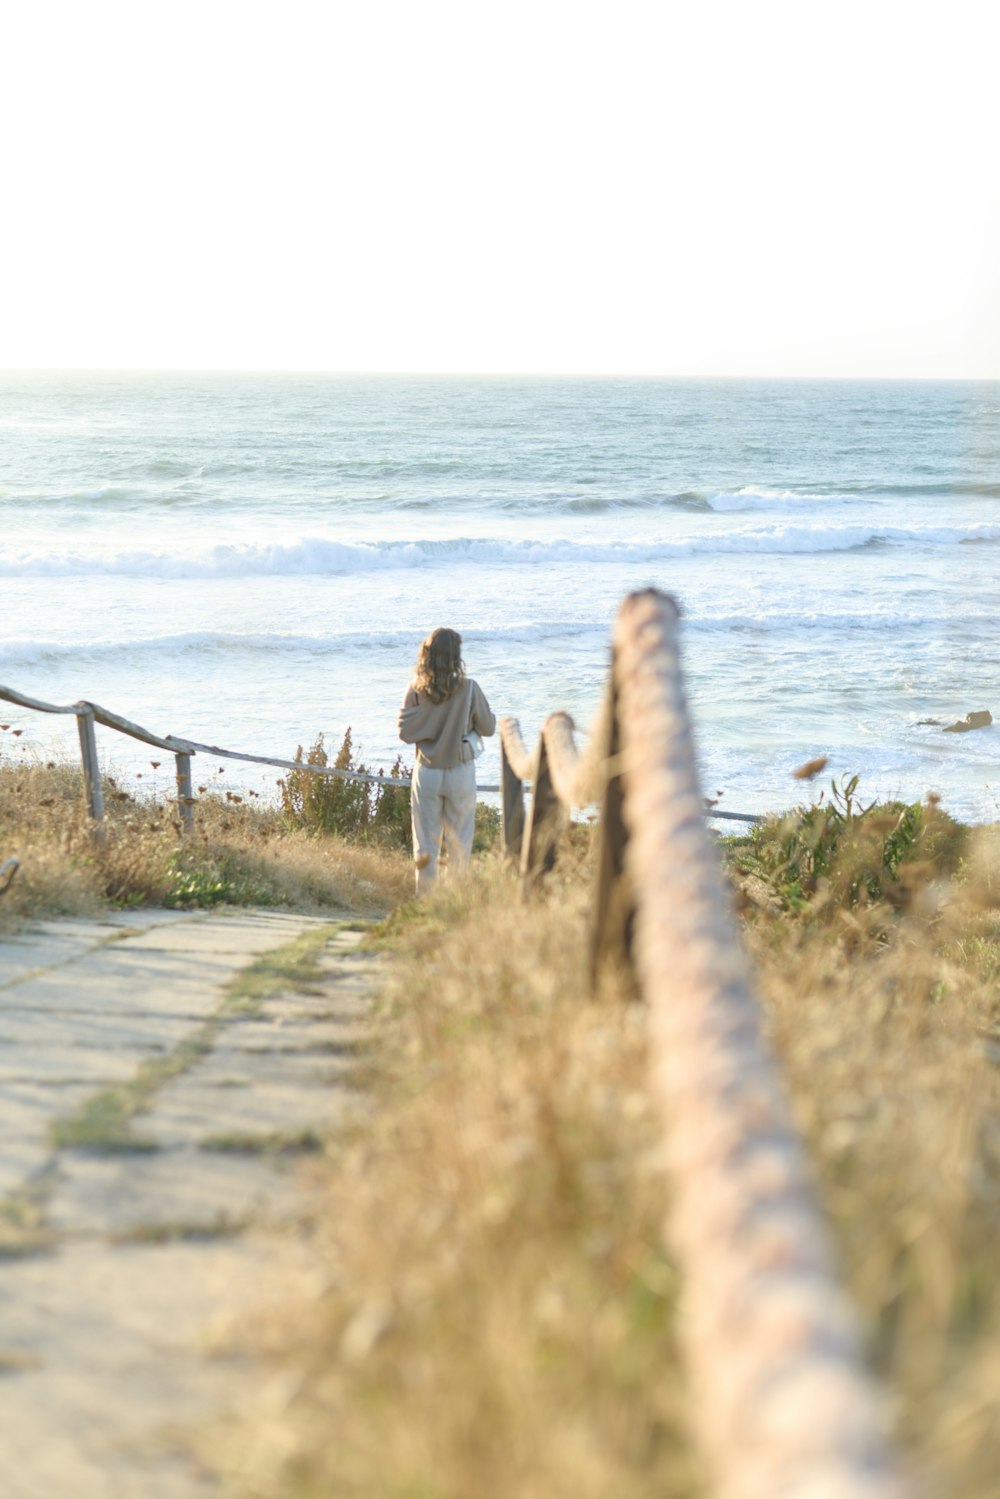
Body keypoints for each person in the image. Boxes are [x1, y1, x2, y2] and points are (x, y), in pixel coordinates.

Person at [398, 627, 495, 897]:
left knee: (426, 843)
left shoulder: (416, 689)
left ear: (426, 654)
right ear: (456, 656)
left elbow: (405, 732)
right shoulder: (469, 688)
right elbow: (488, 727)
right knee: (460, 844)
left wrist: (429, 725)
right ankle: (454, 903)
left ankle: (425, 904)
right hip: (459, 771)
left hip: (427, 771)